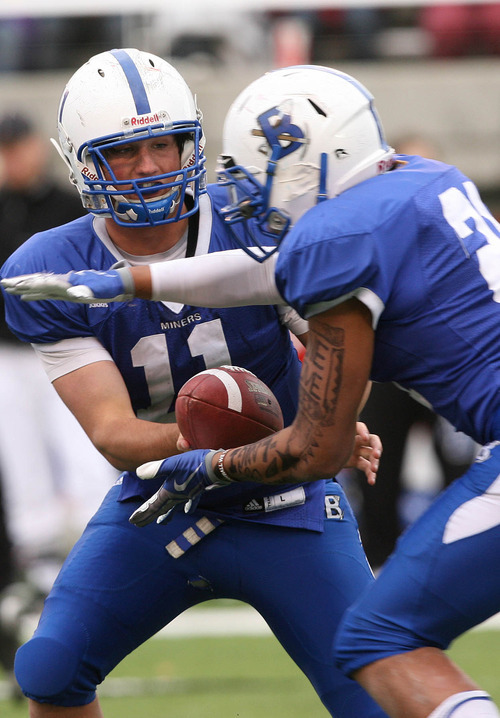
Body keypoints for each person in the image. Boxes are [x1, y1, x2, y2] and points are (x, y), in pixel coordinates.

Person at [16, 64, 500, 718]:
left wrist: (300, 437)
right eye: (123, 151)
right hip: (160, 501)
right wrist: (127, 284)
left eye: (164, 144)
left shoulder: (300, 228)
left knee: (378, 667)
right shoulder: (426, 176)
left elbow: (323, 406)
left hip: (291, 499)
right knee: (48, 666)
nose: (149, 164)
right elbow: (115, 429)